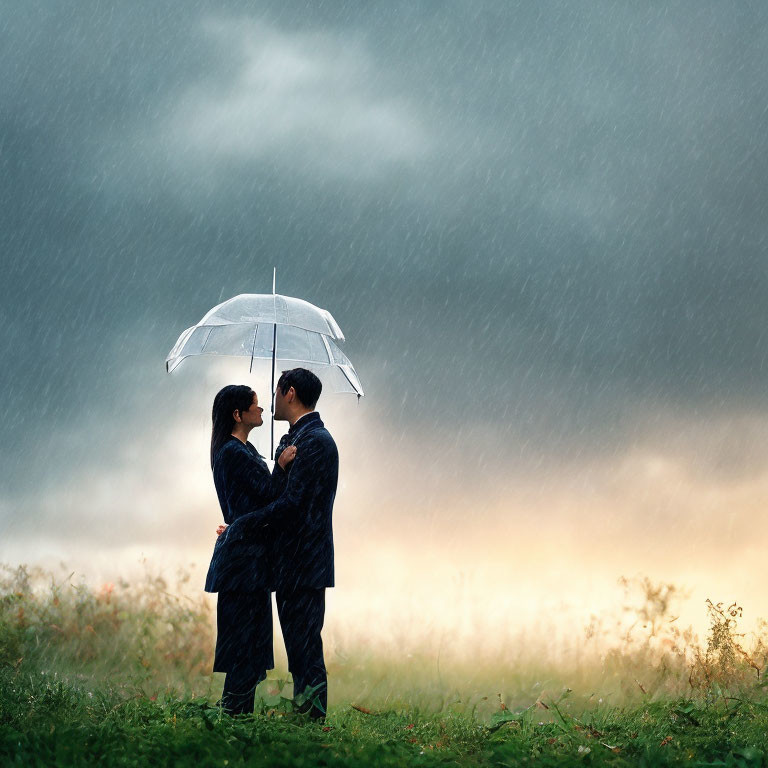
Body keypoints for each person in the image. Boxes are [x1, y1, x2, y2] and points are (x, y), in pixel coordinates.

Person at [217, 368, 338, 720]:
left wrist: (240, 526)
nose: (269, 402)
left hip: (305, 563)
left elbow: (292, 506)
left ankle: (311, 725)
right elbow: (276, 494)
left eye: (274, 393)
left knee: (305, 653)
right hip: (288, 564)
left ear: (290, 393)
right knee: (299, 653)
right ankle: (304, 723)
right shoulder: (292, 439)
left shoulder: (315, 441)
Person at [204, 384, 296, 716]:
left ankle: (236, 715)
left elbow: (255, 498)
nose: (261, 410)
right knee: (244, 642)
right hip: (242, 561)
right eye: (255, 406)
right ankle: (234, 717)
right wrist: (282, 465)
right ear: (237, 414)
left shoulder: (244, 449)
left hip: (249, 557)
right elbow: (270, 494)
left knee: (252, 641)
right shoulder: (231, 451)